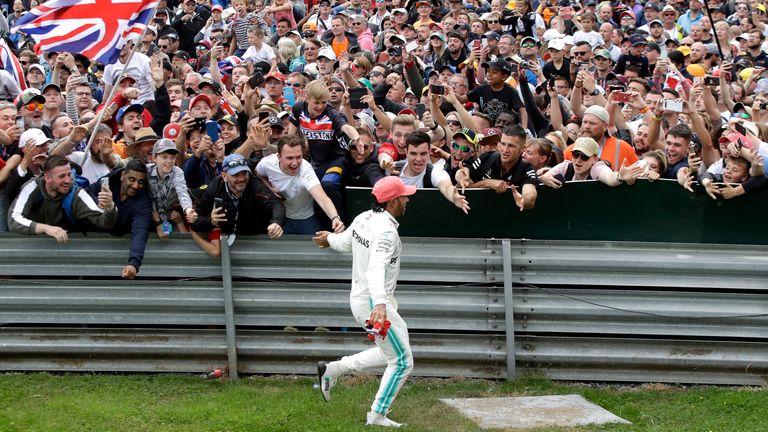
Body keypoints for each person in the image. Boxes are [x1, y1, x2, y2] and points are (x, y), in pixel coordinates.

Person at [313, 176, 416, 428]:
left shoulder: (363, 218)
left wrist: (329, 240)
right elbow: (376, 269)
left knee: (390, 354)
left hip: (367, 300)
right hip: (374, 303)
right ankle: (377, 415)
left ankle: (333, 369)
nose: (407, 200)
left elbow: (345, 242)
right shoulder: (387, 232)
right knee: (402, 361)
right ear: (392, 201)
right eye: (404, 196)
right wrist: (380, 304)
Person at [9, 154, 117, 243]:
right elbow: (13, 220)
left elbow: (104, 223)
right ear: (47, 178)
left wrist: (110, 208)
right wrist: (46, 228)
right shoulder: (32, 187)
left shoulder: (77, 193)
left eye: (69, 175)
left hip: (66, 249)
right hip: (32, 249)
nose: (67, 180)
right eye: (62, 176)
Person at [255, 135, 345, 234]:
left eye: (298, 157)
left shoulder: (306, 170)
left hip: (306, 220)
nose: (295, 163)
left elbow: (322, 199)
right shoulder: (267, 163)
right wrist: (269, 188)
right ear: (279, 157)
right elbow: (258, 173)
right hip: (282, 219)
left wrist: (335, 218)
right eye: (289, 158)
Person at [85, 159, 153, 280]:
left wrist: (133, 264)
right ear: (122, 176)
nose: (136, 186)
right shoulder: (109, 181)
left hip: (119, 234)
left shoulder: (143, 202)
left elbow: (140, 232)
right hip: (92, 243)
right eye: (132, 179)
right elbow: (87, 192)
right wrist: (98, 202)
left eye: (141, 182)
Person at [191, 153, 286, 237]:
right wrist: (210, 221)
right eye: (235, 174)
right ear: (224, 176)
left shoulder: (254, 185)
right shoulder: (215, 188)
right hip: (227, 241)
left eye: (244, 173)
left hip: (256, 238)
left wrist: (276, 223)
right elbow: (194, 221)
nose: (241, 179)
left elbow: (276, 204)